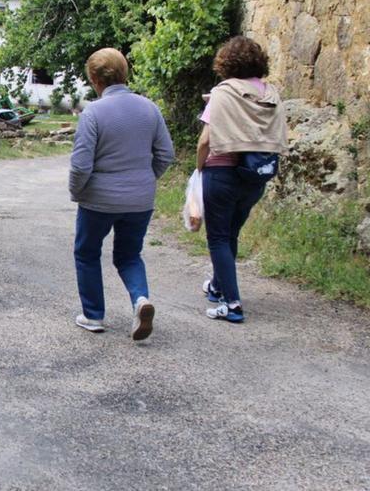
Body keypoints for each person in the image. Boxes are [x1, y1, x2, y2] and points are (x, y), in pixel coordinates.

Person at [69, 48, 174, 341]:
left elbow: (81, 164)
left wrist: (77, 191)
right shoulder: (149, 108)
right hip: (140, 200)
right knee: (129, 255)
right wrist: (145, 180)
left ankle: (93, 315)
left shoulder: (93, 113)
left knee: (87, 252)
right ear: (125, 73)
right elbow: (166, 154)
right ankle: (140, 300)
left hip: (98, 201)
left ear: (94, 79)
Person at [196, 36, 287, 323]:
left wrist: (198, 169)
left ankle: (232, 304)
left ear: (226, 63)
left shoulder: (223, 93)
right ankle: (217, 286)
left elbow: (205, 141)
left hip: (221, 173)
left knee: (218, 237)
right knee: (230, 234)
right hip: (256, 173)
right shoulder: (270, 94)